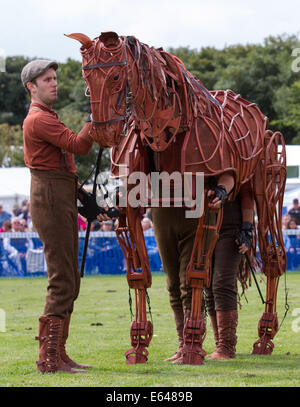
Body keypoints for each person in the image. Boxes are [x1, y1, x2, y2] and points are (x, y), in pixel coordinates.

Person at [21, 59, 96, 374]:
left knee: (70, 278)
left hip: (59, 194)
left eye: (54, 78)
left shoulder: (47, 117)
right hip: (51, 198)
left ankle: (59, 354)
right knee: (62, 279)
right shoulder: (40, 119)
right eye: (46, 79)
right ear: (32, 87)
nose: (54, 83)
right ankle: (49, 359)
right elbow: (79, 146)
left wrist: (84, 197)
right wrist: (95, 119)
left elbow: (63, 166)